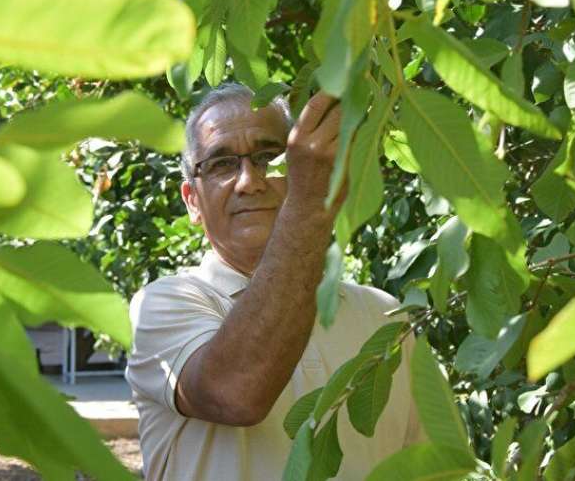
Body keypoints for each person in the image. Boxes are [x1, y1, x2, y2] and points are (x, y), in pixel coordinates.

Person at [125, 83, 422, 481]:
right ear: (192, 201)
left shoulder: (386, 317)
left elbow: (427, 466)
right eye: (221, 164)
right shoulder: (164, 305)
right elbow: (235, 393)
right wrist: (309, 206)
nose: (249, 181)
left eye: (269, 157)